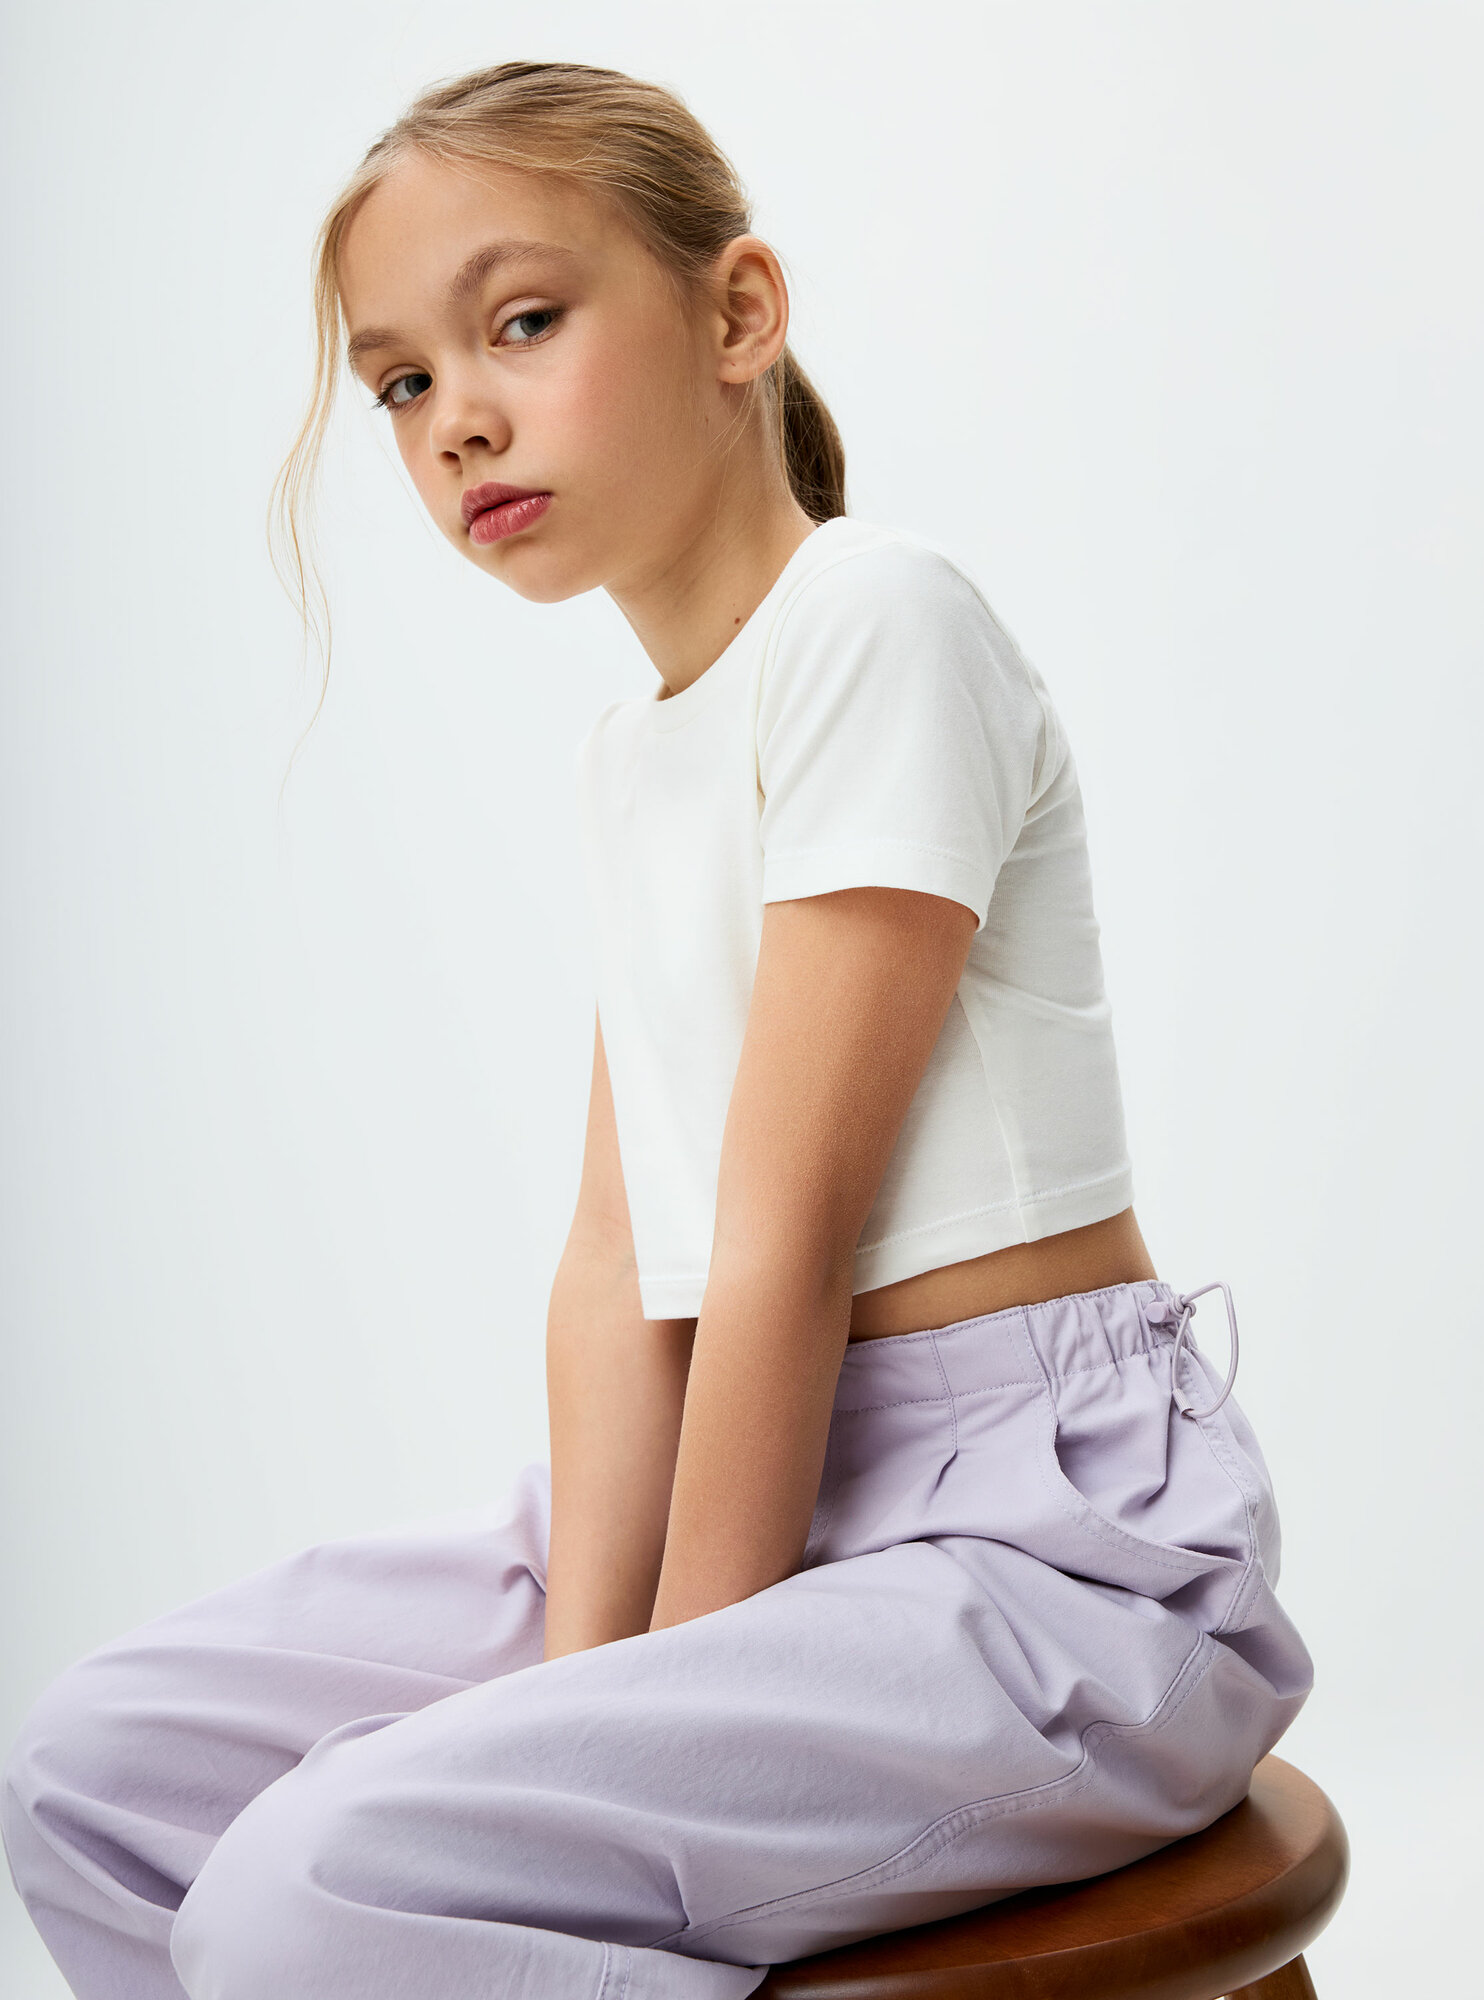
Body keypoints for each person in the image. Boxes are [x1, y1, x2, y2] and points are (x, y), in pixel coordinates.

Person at [1, 59, 1314, 2000]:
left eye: (523, 322)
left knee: (302, 1895)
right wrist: (581, 1683)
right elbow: (625, 1267)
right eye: (401, 383)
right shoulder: (634, 753)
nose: (457, 418)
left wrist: (642, 1700)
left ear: (737, 313)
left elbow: (782, 1243)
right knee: (95, 1776)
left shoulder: (875, 618)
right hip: (768, 1472)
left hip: (1047, 1554)